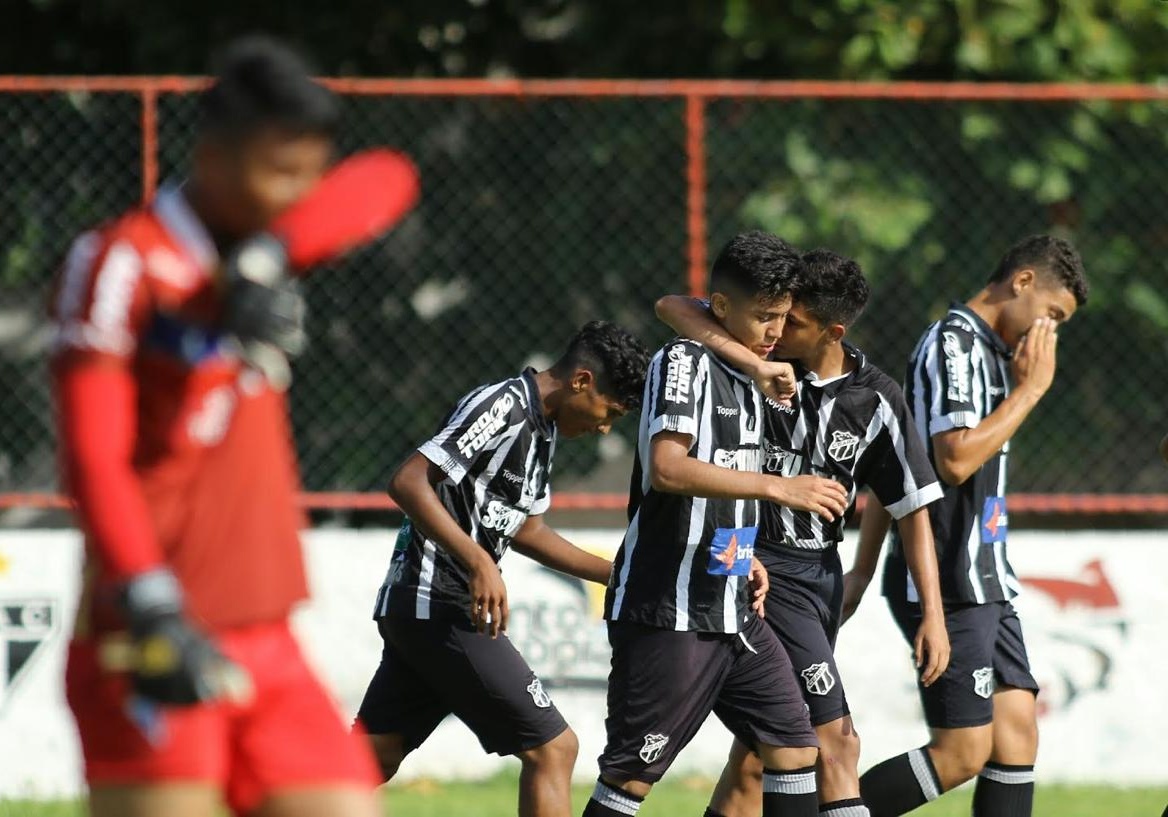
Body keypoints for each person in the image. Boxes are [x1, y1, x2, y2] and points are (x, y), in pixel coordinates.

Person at [50, 37, 386, 817]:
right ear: (212, 154)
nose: (295, 194)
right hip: (150, 634)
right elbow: (92, 456)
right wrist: (150, 598)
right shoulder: (120, 264)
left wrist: (271, 256)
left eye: (308, 174)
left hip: (270, 641)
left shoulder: (265, 254)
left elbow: (387, 178)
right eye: (278, 173)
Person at [654, 249, 950, 817]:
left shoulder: (876, 399)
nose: (777, 330)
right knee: (837, 743)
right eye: (775, 314)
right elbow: (672, 306)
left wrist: (928, 613)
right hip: (762, 568)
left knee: (759, 757)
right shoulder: (754, 356)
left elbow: (911, 506)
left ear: (832, 331)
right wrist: (752, 362)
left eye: (793, 321)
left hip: (819, 576)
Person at [583, 231, 852, 817]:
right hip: (668, 611)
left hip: (731, 605)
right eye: (764, 317)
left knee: (793, 749)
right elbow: (668, 469)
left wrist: (745, 551)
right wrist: (781, 488)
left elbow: (724, 477)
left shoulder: (754, 372)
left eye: (782, 317)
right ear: (723, 309)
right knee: (631, 779)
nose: (776, 331)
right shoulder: (683, 361)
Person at [359, 320, 650, 817]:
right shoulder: (504, 406)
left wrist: (616, 573)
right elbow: (408, 481)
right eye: (609, 412)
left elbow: (528, 531)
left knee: (368, 761)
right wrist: (478, 562)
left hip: (431, 611)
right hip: (438, 603)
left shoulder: (544, 432)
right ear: (582, 381)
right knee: (554, 749)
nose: (604, 427)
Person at [848, 235, 1088, 817]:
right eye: (1052, 315)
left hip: (986, 581)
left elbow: (900, 463)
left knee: (1016, 735)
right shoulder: (952, 346)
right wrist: (1031, 392)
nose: (1047, 333)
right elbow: (953, 457)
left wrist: (862, 566)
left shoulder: (995, 357)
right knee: (961, 752)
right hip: (948, 580)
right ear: (1023, 281)